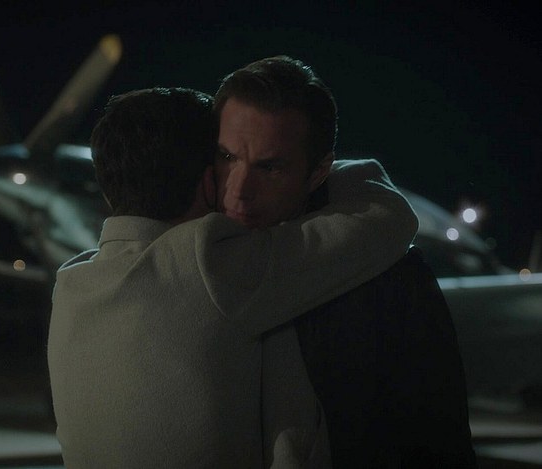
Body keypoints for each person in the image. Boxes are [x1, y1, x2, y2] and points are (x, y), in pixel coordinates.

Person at [47, 86, 418, 468]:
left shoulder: (70, 284)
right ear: (209, 182)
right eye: (227, 159)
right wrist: (309, 172)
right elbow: (388, 218)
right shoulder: (212, 263)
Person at [213, 56, 476, 467]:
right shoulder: (183, 244)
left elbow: (440, 439)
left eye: (270, 167)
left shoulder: (391, 282)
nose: (238, 189)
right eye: (227, 157)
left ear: (319, 172)